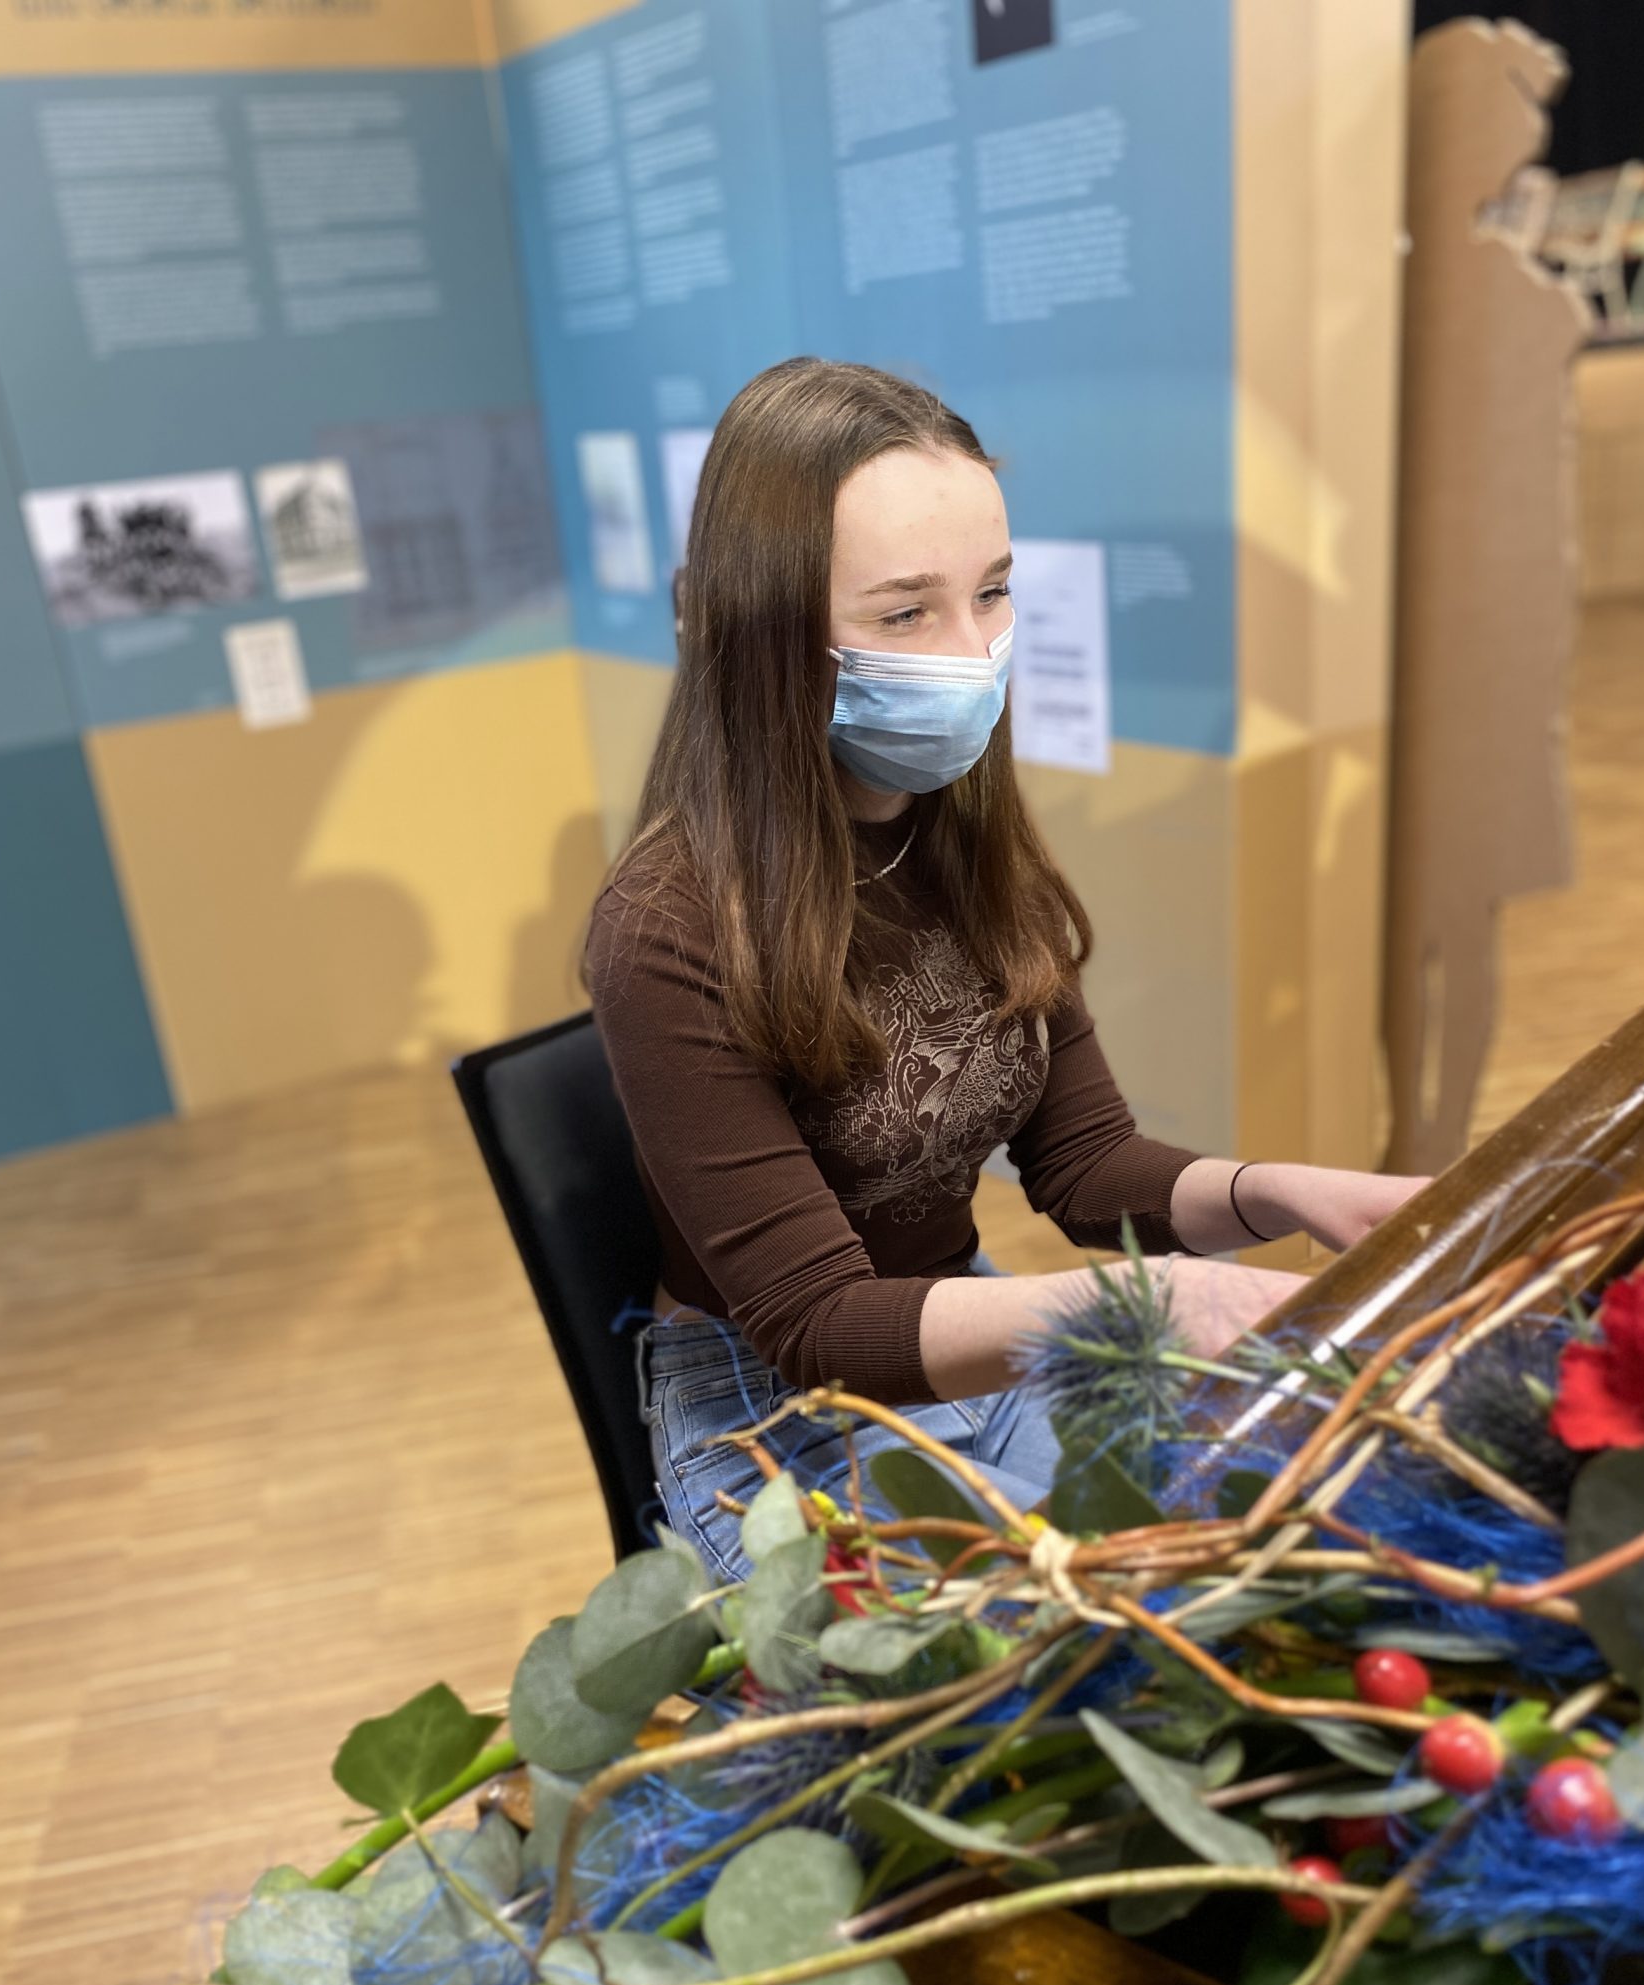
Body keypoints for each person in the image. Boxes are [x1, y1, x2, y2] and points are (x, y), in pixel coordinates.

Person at [587, 359, 1421, 1578]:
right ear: (766, 633)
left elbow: (1087, 1166)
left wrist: (1291, 1191)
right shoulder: (666, 928)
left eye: (992, 592)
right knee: (1102, 1636)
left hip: (961, 1323)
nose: (975, 651)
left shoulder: (959, 831)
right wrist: (1142, 1303)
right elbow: (821, 1324)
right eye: (905, 614)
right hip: (773, 1410)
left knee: (1289, 1532)